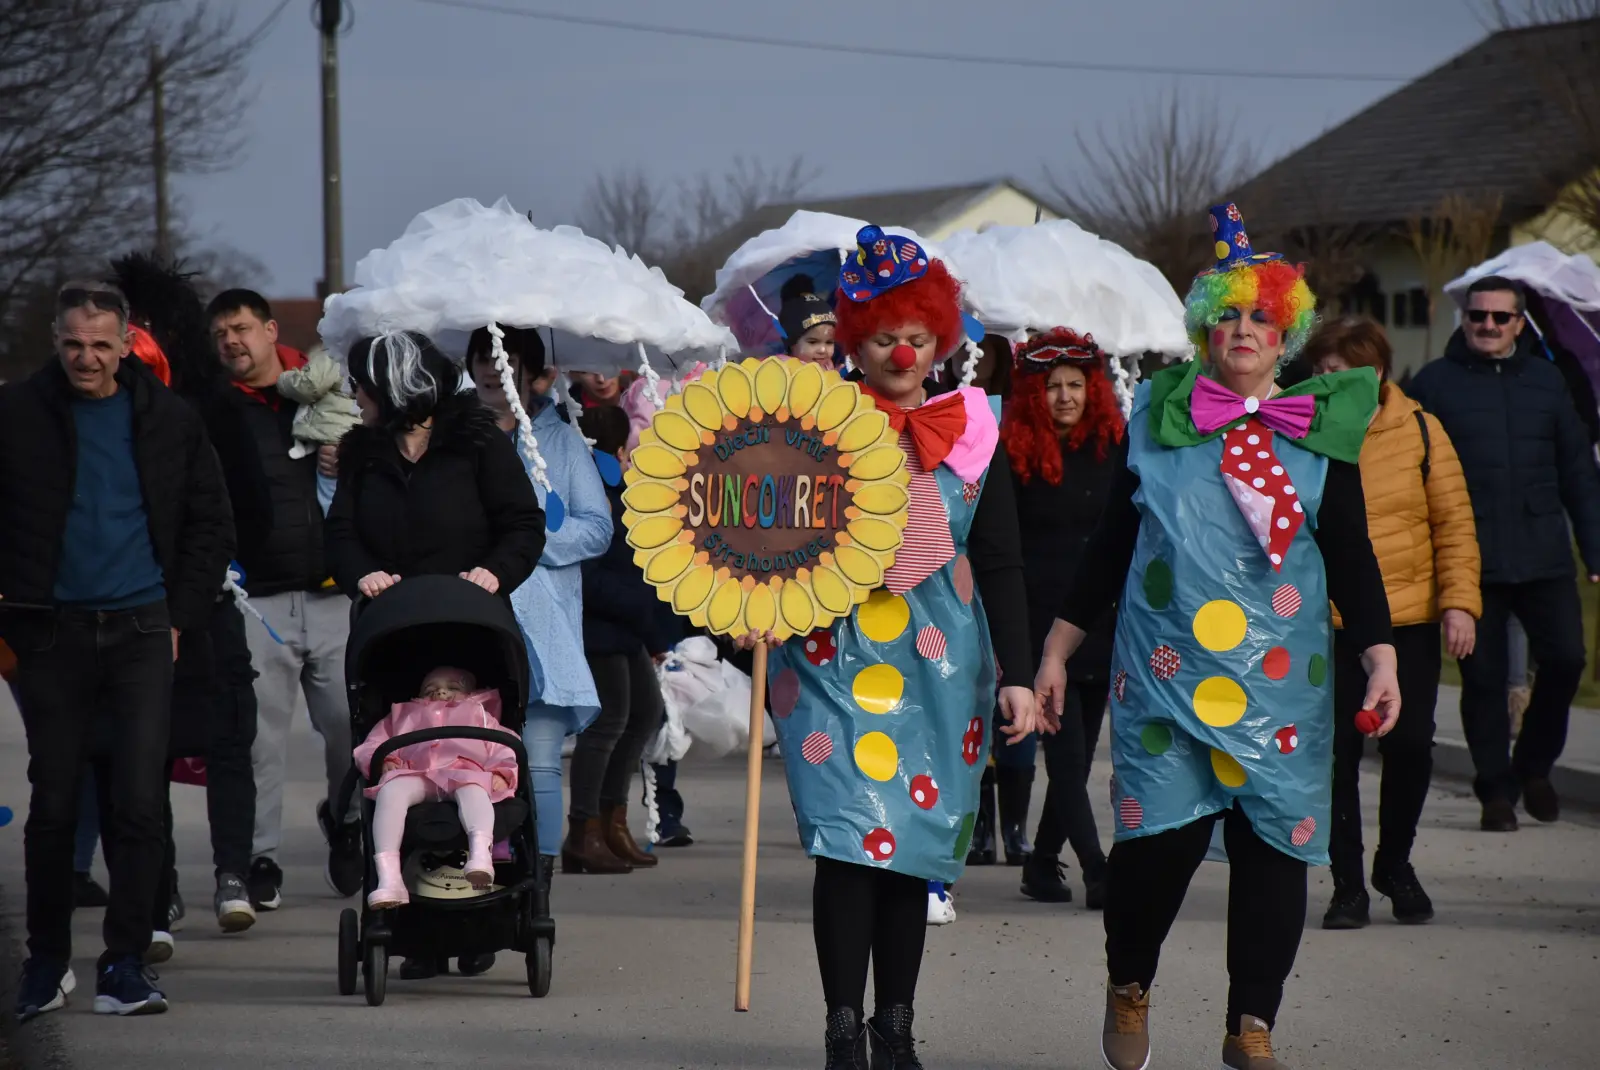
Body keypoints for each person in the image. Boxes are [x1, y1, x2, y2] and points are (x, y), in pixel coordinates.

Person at [1036, 204, 1400, 1070]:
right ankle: (1130, 980)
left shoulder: (1318, 438)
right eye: (1229, 316)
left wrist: (1381, 656)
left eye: (1262, 318)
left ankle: (1252, 1025)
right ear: (1205, 332)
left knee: (1274, 848)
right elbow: (1110, 549)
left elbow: (1350, 554)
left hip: (1283, 681)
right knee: (1157, 850)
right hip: (1166, 677)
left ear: (1286, 338)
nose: (1244, 329)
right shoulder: (1160, 426)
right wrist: (1055, 649)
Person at [742, 225, 1036, 1068]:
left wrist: (1015, 674)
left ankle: (895, 1025)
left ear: (939, 337)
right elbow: (764, 538)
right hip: (828, 659)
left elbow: (1006, 558)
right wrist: (750, 611)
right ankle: (843, 1024)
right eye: (882, 338)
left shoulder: (976, 427)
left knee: (909, 847)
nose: (901, 352)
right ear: (853, 340)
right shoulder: (809, 429)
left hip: (943, 667)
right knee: (847, 839)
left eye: (916, 336)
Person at [2, 281, 233, 1021]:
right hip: (48, 633)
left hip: (141, 629)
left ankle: (126, 962)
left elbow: (209, 523)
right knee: (55, 805)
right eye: (73, 343)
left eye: (101, 344)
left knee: (139, 802)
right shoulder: (16, 415)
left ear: (125, 342)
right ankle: (44, 962)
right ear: (56, 340)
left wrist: (181, 615)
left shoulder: (169, 420)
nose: (86, 358)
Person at [1304, 318, 1481, 929]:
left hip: (1406, 619)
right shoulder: (1300, 429)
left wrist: (1461, 601)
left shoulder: (1421, 431)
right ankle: (1347, 884)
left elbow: (1454, 523)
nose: (1330, 382)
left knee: (1408, 746)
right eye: (1321, 370)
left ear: (1376, 373)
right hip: (1324, 621)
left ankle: (1395, 864)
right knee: (1335, 755)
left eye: (1343, 371)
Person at [1409, 275, 1600, 830]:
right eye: (1477, 316)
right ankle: (1495, 789)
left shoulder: (1546, 382)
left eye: (1499, 317)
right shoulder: (1434, 385)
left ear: (1519, 323)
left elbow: (1578, 474)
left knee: (1566, 661)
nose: (1487, 326)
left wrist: (1594, 551)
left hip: (1544, 554)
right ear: (1464, 319)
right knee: (1485, 682)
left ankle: (1534, 766)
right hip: (1472, 560)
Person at [115, 253, 260, 939]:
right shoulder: (99, 416)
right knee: (148, 750)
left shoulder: (214, 409)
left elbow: (243, 508)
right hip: (129, 603)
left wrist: (205, 585)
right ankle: (160, 884)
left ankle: (233, 871)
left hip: (208, 597)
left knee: (230, 736)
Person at [204, 288, 360, 909]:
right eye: (220, 334)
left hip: (333, 595)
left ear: (271, 331)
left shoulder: (331, 390)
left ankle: (348, 826)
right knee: (259, 740)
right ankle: (260, 856)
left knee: (351, 728)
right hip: (255, 599)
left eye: (240, 328)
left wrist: (350, 457)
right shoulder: (212, 409)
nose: (231, 342)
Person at [466, 324, 611, 890]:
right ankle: (477, 874)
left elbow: (597, 528)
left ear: (533, 374)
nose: (491, 369)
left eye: (503, 360)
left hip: (544, 622)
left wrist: (524, 549)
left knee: (542, 760)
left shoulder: (561, 440)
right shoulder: (454, 438)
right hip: (470, 617)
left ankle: (538, 888)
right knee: (472, 761)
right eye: (482, 358)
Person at [1001, 327, 1125, 909]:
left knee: (1076, 753)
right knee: (1067, 753)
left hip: (1098, 623)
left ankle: (1042, 861)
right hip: (1036, 624)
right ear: (1034, 394)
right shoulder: (1012, 458)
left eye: (1076, 384)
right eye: (1053, 386)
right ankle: (1099, 869)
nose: (1066, 396)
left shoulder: (1115, 451)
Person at [326, 330, 545, 606]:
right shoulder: (361, 455)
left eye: (358, 383)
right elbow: (339, 534)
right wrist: (362, 574)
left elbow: (524, 523)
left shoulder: (478, 442)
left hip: (471, 616)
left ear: (391, 387)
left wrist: (494, 572)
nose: (352, 393)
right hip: (388, 623)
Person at [570, 405, 679, 872]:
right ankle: (585, 827)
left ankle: (615, 819)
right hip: (600, 628)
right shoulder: (595, 493)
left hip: (625, 627)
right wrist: (640, 611)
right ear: (616, 449)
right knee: (608, 722)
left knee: (645, 713)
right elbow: (592, 573)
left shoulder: (620, 491)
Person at [352, 666, 520, 907]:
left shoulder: (480, 715)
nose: (441, 693)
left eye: (453, 688)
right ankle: (389, 878)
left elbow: (506, 745)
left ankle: (481, 855)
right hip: (414, 771)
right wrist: (383, 760)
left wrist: (502, 772)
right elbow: (373, 743)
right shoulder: (402, 715)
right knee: (390, 791)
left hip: (465, 771)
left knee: (475, 790)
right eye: (431, 689)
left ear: (472, 693)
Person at [275, 345, 361, 513]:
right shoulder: (372, 357)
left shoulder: (334, 355)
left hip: (333, 437)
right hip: (354, 436)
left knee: (332, 505)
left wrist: (282, 380)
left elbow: (309, 386)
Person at [777, 273, 838, 366]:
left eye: (829, 342)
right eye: (813, 342)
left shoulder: (829, 369)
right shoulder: (780, 371)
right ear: (792, 343)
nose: (823, 350)